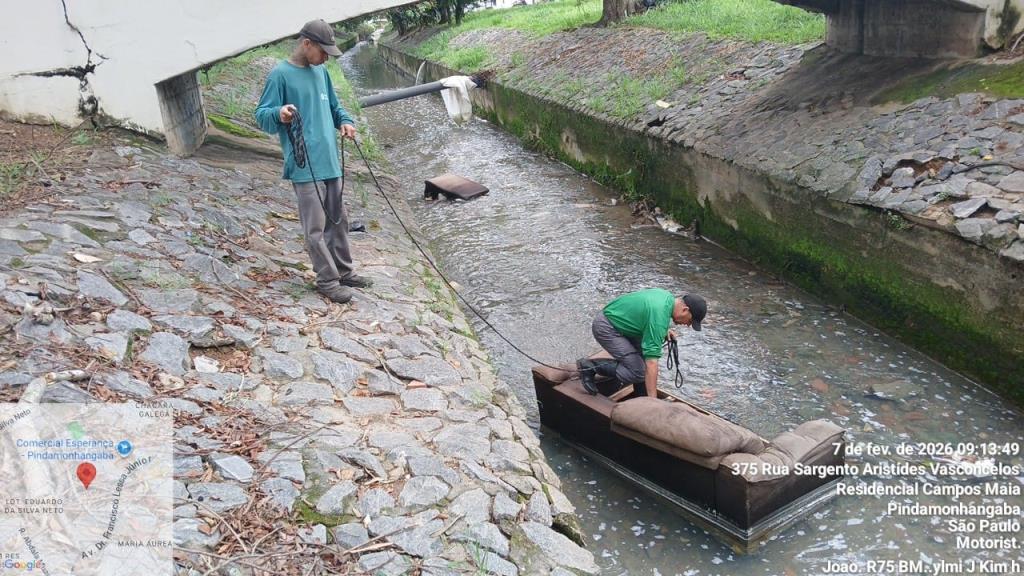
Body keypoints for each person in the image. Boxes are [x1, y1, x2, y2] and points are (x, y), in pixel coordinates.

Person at [255, 19, 371, 304]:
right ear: (306, 44)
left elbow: (335, 107)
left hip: (330, 161)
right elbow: (262, 115)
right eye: (323, 51)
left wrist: (345, 121)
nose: (325, 58)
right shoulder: (280, 75)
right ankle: (327, 281)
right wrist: (279, 113)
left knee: (339, 219)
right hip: (305, 165)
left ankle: (343, 271)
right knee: (316, 228)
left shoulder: (322, 73)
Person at [579, 289, 707, 398]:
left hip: (621, 322)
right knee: (639, 371)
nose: (688, 325)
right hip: (607, 327)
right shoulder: (658, 319)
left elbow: (649, 314)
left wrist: (664, 330)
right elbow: (651, 362)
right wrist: (653, 401)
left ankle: (641, 396)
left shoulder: (667, 298)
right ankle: (589, 367)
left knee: (642, 361)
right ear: (685, 310)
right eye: (690, 321)